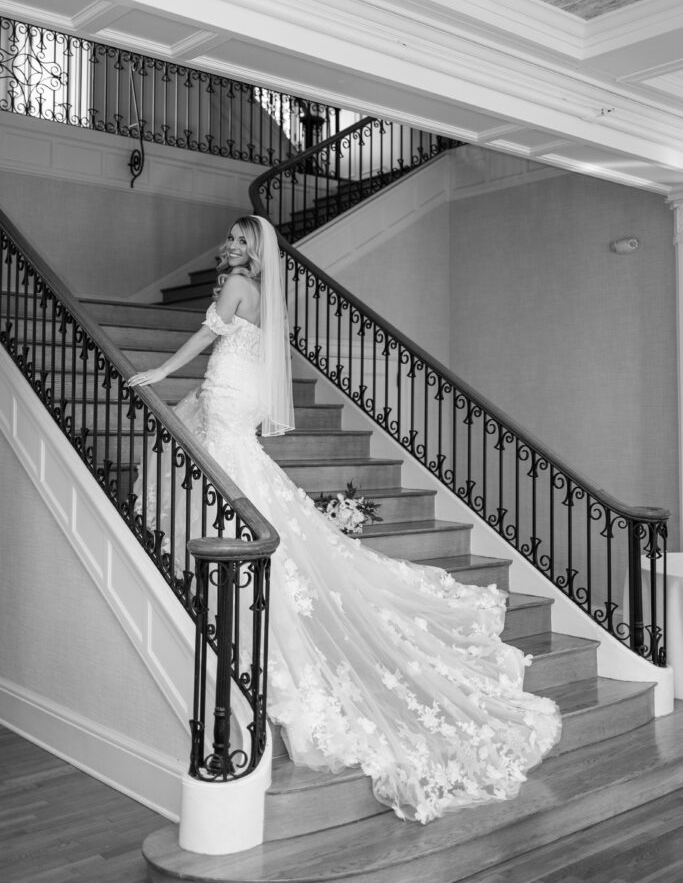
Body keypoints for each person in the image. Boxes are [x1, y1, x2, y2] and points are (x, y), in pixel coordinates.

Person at [128, 214, 561, 824]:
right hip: (238, 390)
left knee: (225, 469)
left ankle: (228, 576)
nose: (226, 246)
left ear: (251, 250)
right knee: (237, 474)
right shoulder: (264, 294)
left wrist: (163, 373)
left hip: (227, 388)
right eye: (228, 239)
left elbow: (207, 336)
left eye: (236, 241)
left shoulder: (234, 288)